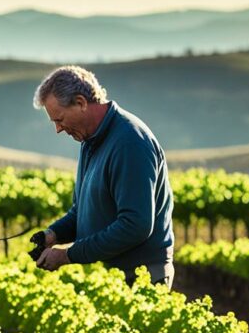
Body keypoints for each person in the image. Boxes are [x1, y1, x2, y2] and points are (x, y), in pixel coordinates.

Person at [30, 65, 175, 287]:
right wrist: (52, 234)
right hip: (111, 276)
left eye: (59, 120)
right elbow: (83, 212)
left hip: (139, 277)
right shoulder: (90, 140)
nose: (58, 129)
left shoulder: (129, 142)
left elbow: (135, 225)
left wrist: (67, 255)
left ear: (81, 103)